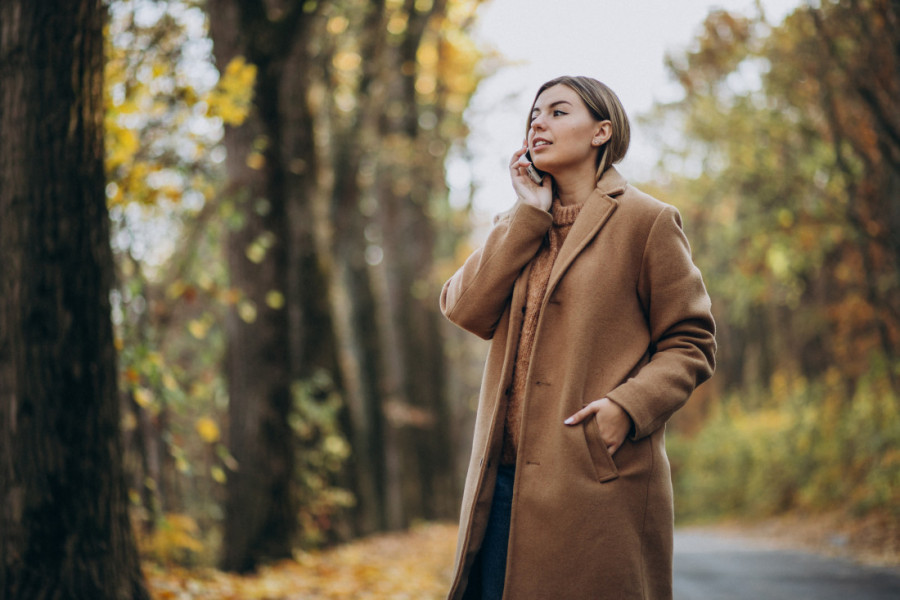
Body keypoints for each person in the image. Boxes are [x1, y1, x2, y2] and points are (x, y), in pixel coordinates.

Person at [439, 76, 716, 600]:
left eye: (558, 112)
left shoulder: (647, 221)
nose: (538, 122)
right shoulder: (520, 223)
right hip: (501, 488)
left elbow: (691, 340)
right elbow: (463, 307)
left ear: (601, 132)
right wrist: (526, 214)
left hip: (597, 483)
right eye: (533, 115)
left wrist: (626, 408)